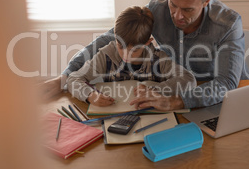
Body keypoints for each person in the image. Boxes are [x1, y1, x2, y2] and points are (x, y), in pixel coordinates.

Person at [42, 0, 247, 110]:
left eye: (187, 10)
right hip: (168, 92)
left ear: (206, 1)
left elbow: (225, 84)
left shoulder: (228, 24)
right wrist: (65, 77)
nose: (177, 15)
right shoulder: (156, 10)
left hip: (211, 97)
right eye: (173, 4)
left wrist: (175, 101)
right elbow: (109, 39)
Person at [66, 6, 196, 107]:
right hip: (114, 116)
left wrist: (155, 90)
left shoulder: (158, 59)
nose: (125, 55)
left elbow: (189, 80)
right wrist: (90, 95)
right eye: (120, 46)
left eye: (134, 50)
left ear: (147, 43)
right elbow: (73, 78)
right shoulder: (106, 55)